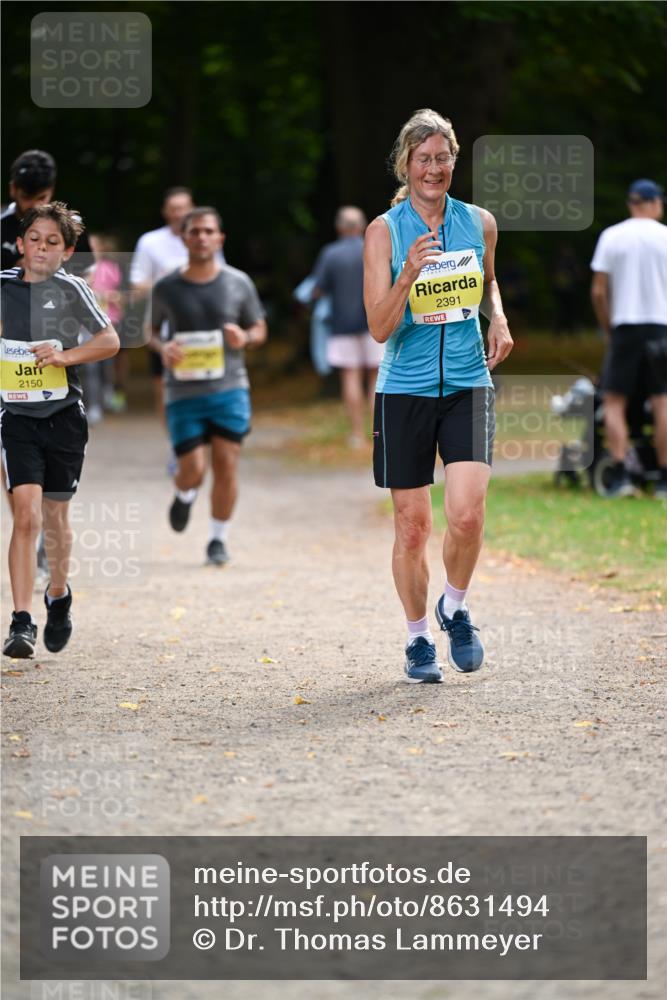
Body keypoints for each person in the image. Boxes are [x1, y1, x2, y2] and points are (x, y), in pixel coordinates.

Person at [364, 109, 513, 683]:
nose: (433, 168)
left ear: (454, 160)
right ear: (405, 164)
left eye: (442, 157)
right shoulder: (385, 230)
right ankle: (418, 639)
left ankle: (455, 604)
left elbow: (488, 279)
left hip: (468, 383)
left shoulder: (480, 222)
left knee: (468, 516)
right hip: (405, 390)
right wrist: (407, 274)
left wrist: (496, 316)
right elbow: (379, 326)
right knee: (412, 528)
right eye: (422, 159)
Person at [1, 202, 119, 658]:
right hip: (16, 417)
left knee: (54, 517)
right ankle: (20, 620)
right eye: (34, 240)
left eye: (53, 243)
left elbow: (108, 341)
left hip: (64, 418)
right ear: (19, 244)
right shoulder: (3, 287)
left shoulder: (72, 289)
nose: (42, 249)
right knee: (25, 513)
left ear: (67, 251)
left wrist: (64, 356)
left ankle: (59, 595)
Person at [149, 207, 267, 565]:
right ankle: (185, 495)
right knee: (193, 469)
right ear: (183, 238)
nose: (201, 237)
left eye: (208, 231)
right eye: (195, 231)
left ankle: (218, 539)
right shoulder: (167, 286)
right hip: (183, 393)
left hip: (229, 389)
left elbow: (260, 329)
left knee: (227, 465)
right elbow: (148, 330)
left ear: (220, 238)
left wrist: (244, 337)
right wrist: (163, 347)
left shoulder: (238, 282)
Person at [590, 178, 667, 499]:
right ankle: (663, 479)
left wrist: (609, 328)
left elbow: (598, 291)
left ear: (631, 204)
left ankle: (621, 474)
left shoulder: (612, 236)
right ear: (653, 203)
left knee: (613, 401)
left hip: (625, 327)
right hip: (661, 327)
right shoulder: (665, 237)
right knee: (663, 401)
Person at [312, 207, 384, 447]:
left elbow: (317, 289)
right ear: (362, 226)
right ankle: (378, 433)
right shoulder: (373, 249)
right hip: (374, 321)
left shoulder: (330, 254)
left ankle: (355, 434)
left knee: (350, 376)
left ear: (340, 227)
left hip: (341, 324)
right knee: (376, 378)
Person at [130, 187, 195, 418]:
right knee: (165, 390)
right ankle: (175, 447)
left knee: (199, 389)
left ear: (192, 209)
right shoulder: (150, 242)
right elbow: (137, 285)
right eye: (174, 209)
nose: (179, 214)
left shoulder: (204, 237)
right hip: (163, 328)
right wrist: (168, 281)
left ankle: (196, 444)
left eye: (183, 208)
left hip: (201, 326)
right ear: (165, 212)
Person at [1, 149, 94, 275]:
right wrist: (14, 273)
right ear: (13, 189)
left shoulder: (72, 226)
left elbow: (86, 275)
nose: (34, 206)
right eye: (27, 197)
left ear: (51, 190)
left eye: (41, 198)